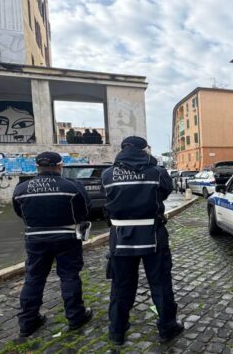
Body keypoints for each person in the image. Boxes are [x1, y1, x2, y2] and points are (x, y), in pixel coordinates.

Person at [102, 136, 183, 345]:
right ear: (144, 149)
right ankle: (167, 328)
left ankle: (117, 332)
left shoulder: (108, 174)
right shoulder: (157, 173)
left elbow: (107, 198)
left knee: (121, 287)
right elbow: (165, 193)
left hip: (120, 238)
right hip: (153, 235)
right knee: (161, 284)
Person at [12, 152, 93, 337]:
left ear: (37, 167)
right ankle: (75, 316)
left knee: (33, 278)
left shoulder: (21, 188)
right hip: (66, 237)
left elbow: (19, 212)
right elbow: (85, 209)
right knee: (69, 276)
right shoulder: (72, 186)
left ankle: (27, 321)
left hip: (35, 238)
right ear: (60, 165)